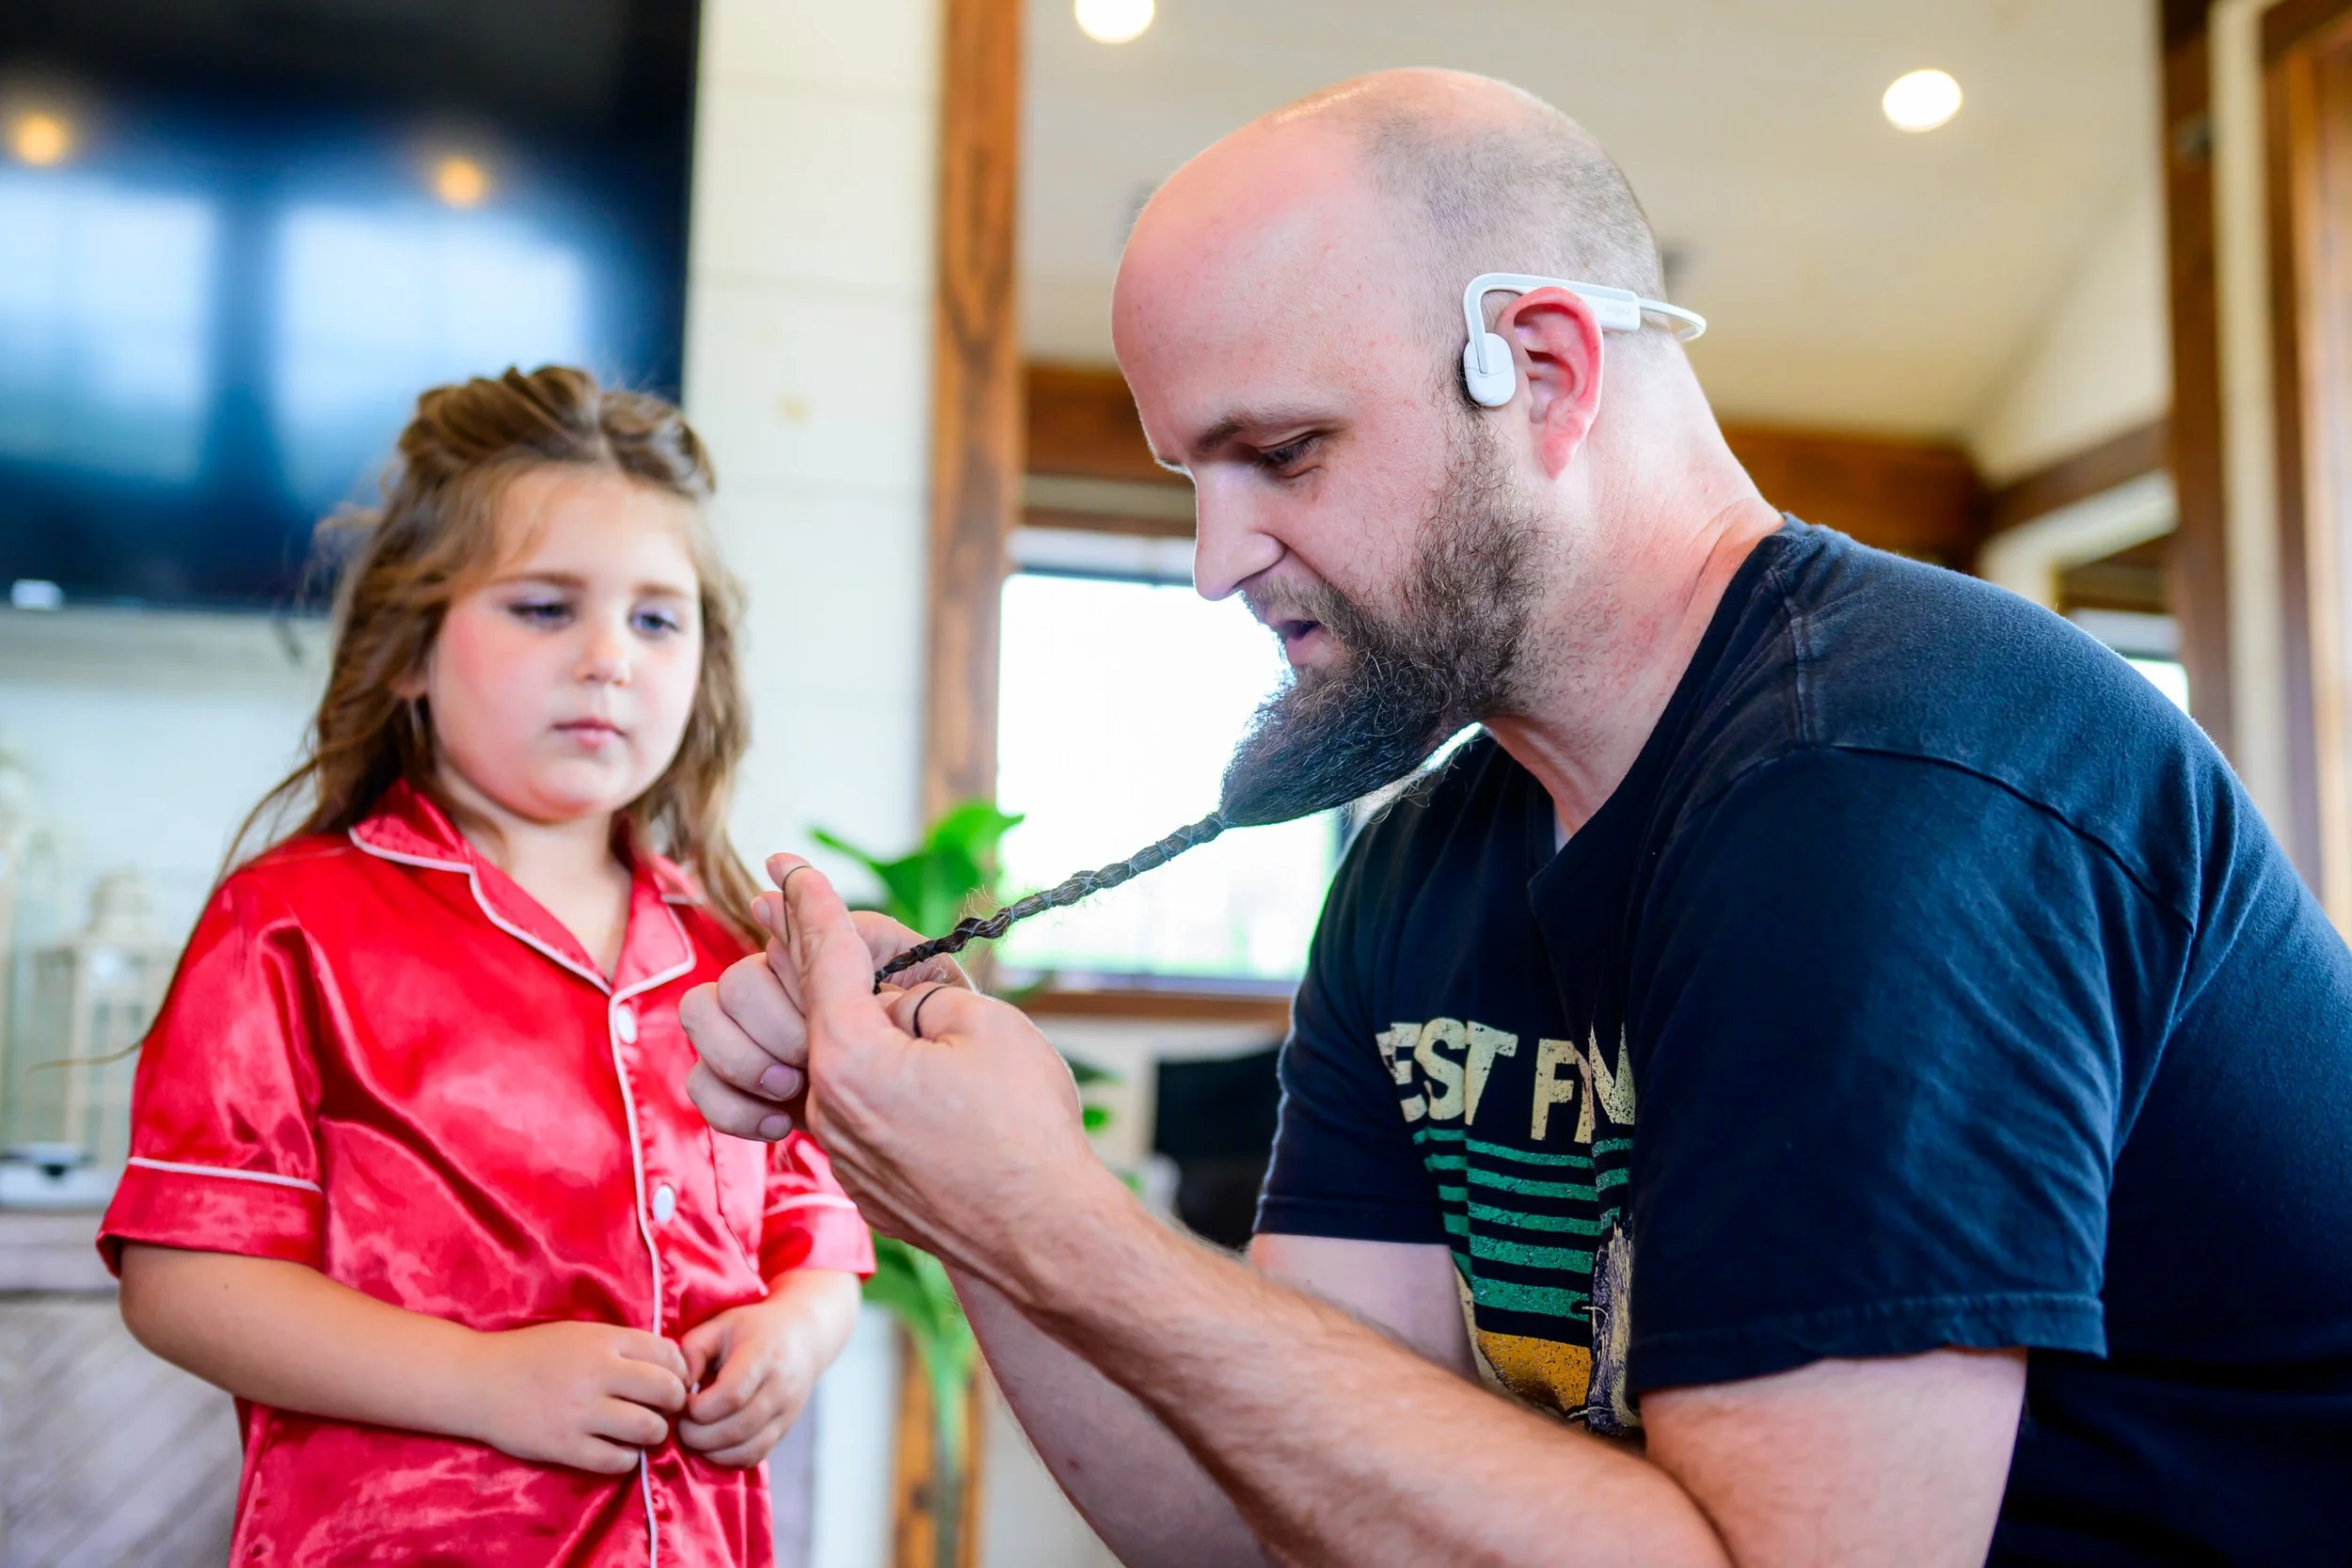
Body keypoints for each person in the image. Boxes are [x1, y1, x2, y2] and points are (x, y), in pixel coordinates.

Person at [683, 69, 2352, 1567]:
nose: (1214, 562)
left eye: (1282, 452)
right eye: (1195, 478)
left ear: (1542, 367)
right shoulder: (1427, 868)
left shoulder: (1877, 788)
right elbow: (1262, 1515)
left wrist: (1056, 1215)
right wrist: (977, 1201)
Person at [103, 367, 873, 1567]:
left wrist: (794, 1334)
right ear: (410, 647)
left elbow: (812, 1234)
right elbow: (184, 1278)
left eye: (657, 618)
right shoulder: (286, 923)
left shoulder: (740, 952)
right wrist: (482, 1379)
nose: (609, 656)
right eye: (544, 607)